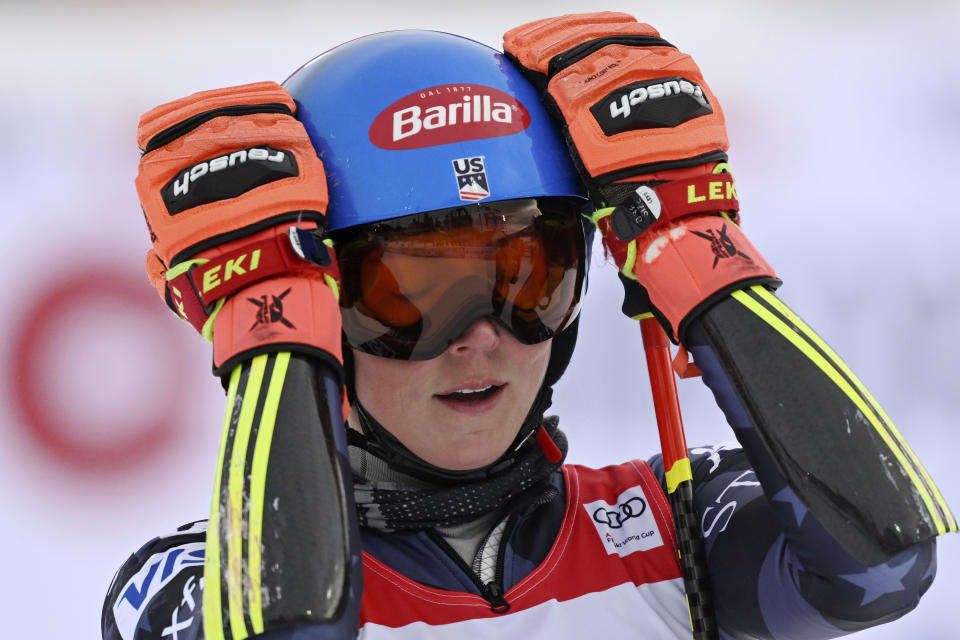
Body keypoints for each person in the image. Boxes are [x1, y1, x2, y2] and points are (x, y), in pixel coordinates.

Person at [102, 13, 952, 640]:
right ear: (329, 312)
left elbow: (880, 564)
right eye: (414, 299)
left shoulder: (668, 523)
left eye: (526, 280)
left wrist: (696, 248)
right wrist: (271, 335)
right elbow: (293, 626)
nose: (483, 337)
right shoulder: (185, 581)